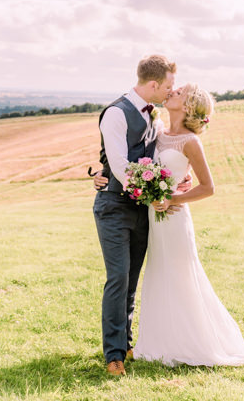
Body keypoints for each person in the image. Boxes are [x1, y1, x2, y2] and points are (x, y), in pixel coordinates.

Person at [93, 84, 244, 367]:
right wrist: (99, 173)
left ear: (188, 105)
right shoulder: (158, 132)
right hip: (153, 220)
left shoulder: (190, 142)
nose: (171, 92)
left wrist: (173, 198)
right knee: (158, 277)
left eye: (178, 92)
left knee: (180, 277)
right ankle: (158, 342)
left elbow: (209, 187)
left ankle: (194, 341)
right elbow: (125, 158)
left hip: (174, 220)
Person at [91, 54, 177, 376]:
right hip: (114, 207)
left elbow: (155, 156)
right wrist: (154, 191)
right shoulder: (116, 113)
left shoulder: (154, 116)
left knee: (131, 282)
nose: (171, 91)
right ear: (153, 84)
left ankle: (126, 344)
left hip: (143, 211)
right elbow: (120, 166)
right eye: (168, 86)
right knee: (118, 278)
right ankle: (113, 355)